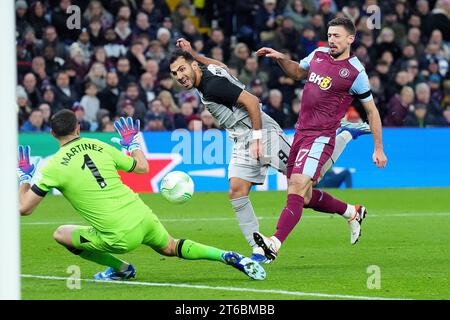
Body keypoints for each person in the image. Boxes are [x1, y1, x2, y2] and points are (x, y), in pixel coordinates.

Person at [170, 38, 372, 264]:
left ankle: (344, 134)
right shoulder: (207, 70)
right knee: (238, 191)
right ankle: (259, 250)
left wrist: (257, 138)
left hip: (261, 134)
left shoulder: (212, 85)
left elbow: (253, 102)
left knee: (307, 182)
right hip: (241, 138)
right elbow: (223, 67)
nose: (179, 76)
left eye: (182, 69)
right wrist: (193, 54)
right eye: (175, 73)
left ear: (194, 67)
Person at [17, 110, 266, 281]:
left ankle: (121, 269)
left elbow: (24, 208)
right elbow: (142, 168)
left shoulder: (52, 166)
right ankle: (226, 256)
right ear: (78, 128)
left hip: (119, 236)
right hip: (142, 216)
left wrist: (25, 178)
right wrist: (132, 145)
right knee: (172, 246)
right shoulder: (99, 145)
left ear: (52, 134)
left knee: (61, 233)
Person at [253, 17, 388, 262]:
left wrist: (378, 148)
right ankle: (352, 212)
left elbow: (372, 111)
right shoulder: (318, 54)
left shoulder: (356, 73)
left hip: (321, 137)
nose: (332, 40)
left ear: (350, 39)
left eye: (337, 36)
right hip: (300, 133)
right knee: (303, 197)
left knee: (295, 187)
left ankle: (273, 243)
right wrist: (281, 57)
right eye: (329, 35)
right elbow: (296, 73)